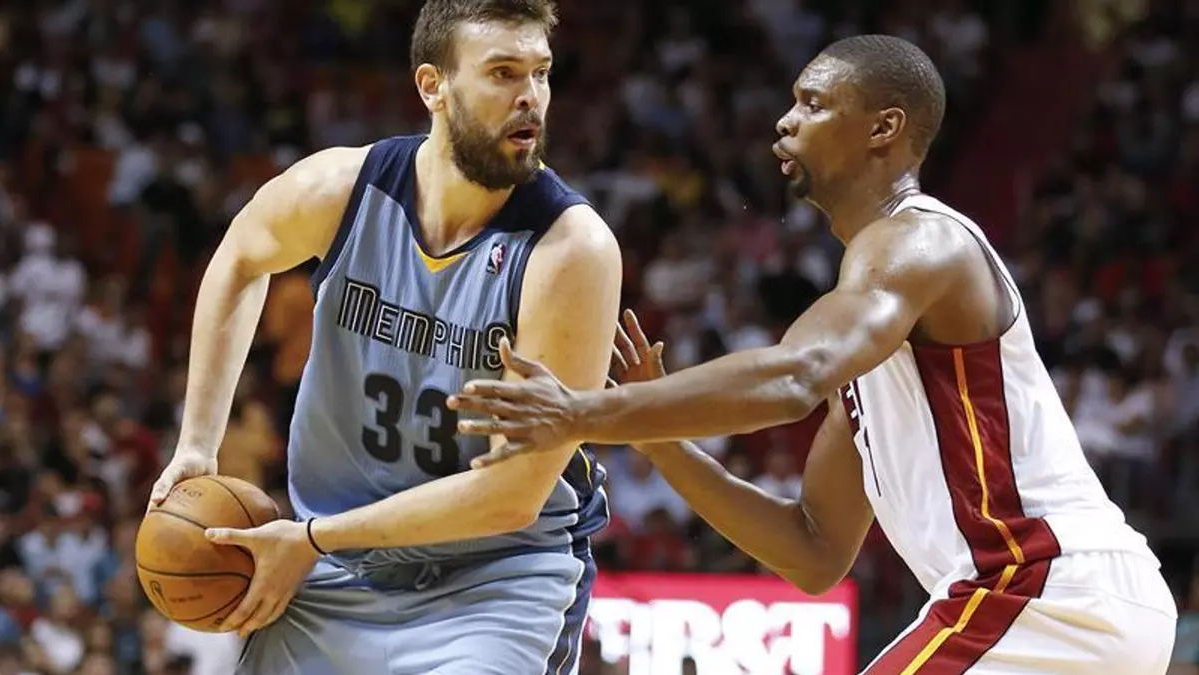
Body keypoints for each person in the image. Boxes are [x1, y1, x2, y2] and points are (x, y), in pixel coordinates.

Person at [448, 35, 1178, 673]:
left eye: (814, 103)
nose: (785, 119)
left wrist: (584, 413)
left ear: (883, 128)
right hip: (1079, 603)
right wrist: (656, 439)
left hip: (1042, 588)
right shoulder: (875, 339)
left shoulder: (918, 241)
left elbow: (795, 373)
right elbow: (813, 551)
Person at [145, 0, 621, 673]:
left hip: (495, 583)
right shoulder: (341, 190)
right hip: (338, 565)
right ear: (433, 86)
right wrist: (198, 442)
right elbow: (240, 260)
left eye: (540, 73)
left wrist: (313, 538)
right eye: (503, 73)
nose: (530, 97)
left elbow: (512, 494)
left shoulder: (570, 251)